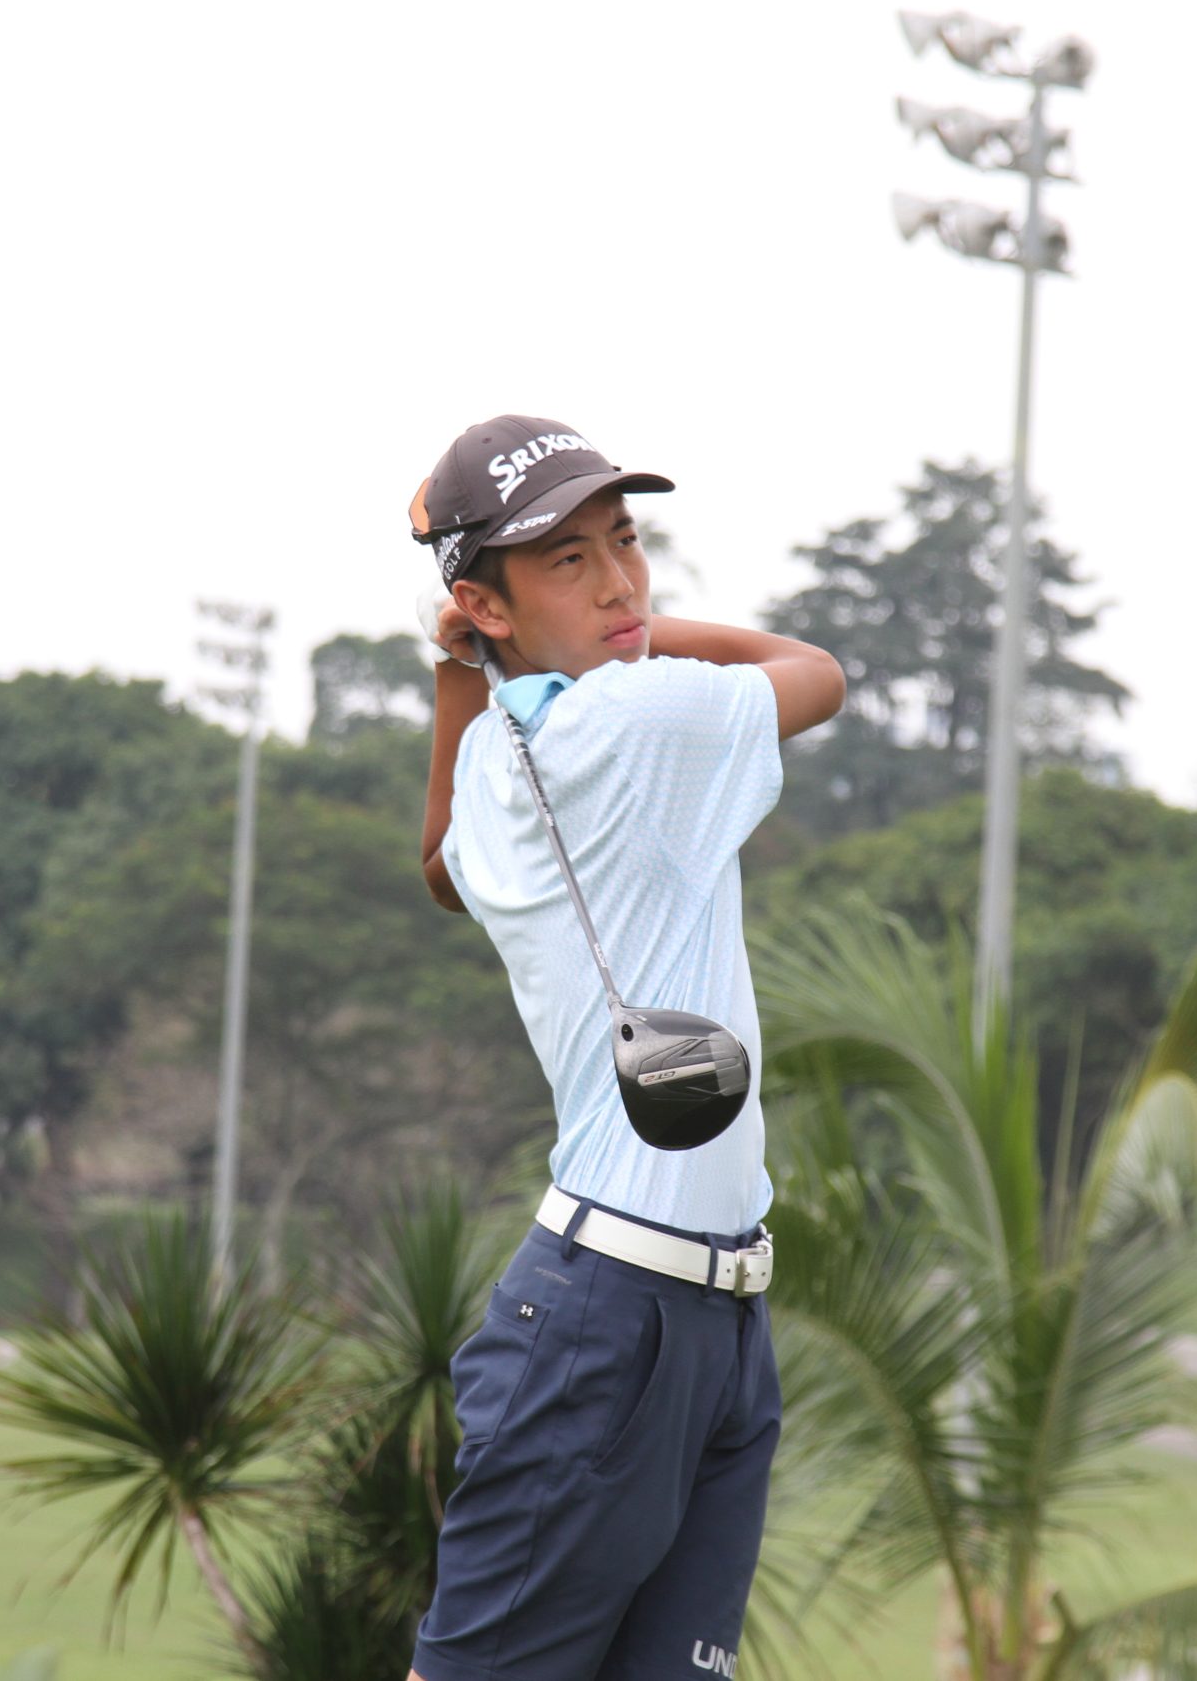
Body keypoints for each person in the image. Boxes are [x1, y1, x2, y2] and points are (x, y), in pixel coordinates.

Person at [405, 414, 844, 1681]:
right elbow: (812, 668)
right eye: (567, 563)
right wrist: (646, 638)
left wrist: (459, 668)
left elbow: (440, 871)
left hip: (706, 1320)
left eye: (625, 542)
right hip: (613, 1321)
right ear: (485, 601)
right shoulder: (637, 720)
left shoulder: (503, 750)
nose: (617, 584)